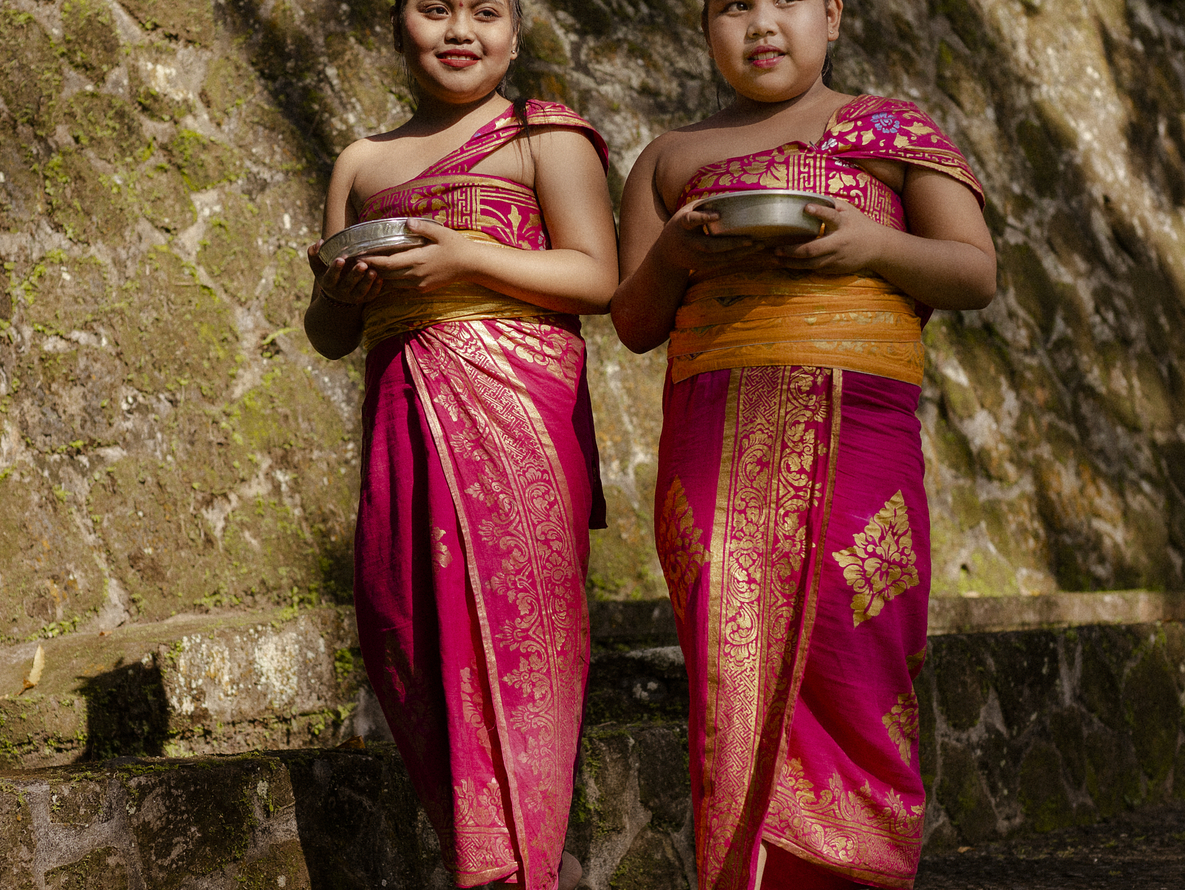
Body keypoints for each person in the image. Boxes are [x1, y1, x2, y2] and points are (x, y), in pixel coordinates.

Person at [610, 0, 997, 886]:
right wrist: (672, 253)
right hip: (713, 449)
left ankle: (859, 868)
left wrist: (869, 243)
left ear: (834, 17)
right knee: (728, 664)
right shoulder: (671, 159)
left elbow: (974, 271)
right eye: (731, 6)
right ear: (705, 29)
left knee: (858, 655)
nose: (759, 23)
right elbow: (634, 320)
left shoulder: (894, 127)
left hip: (861, 440)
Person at [302, 0, 617, 886]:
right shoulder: (361, 163)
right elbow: (327, 331)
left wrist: (467, 259)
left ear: (518, 32)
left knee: (521, 649)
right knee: (401, 632)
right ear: (397, 25)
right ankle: (477, 855)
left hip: (517, 420)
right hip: (403, 415)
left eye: (486, 11)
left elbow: (597, 274)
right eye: (434, 8)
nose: (460, 30)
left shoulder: (541, 138)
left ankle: (519, 871)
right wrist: (344, 289)